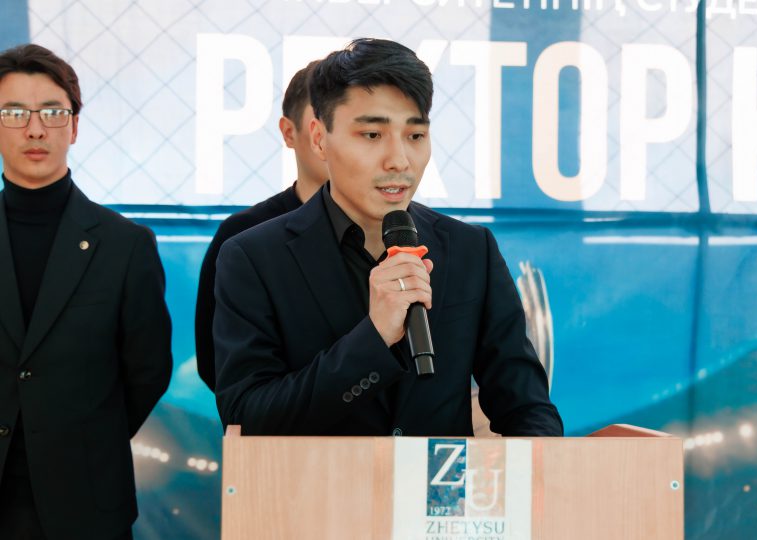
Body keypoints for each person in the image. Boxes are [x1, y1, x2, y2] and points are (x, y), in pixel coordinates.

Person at [214, 38, 562, 437]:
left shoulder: (471, 250)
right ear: (319, 138)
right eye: (372, 135)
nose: (399, 160)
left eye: (415, 136)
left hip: (440, 480)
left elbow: (526, 406)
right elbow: (247, 416)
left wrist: (540, 467)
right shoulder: (254, 257)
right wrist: (374, 337)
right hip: (316, 480)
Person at [0, 44, 172, 540]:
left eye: (52, 113)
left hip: (87, 501)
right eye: (15, 113)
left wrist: (87, 440)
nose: (35, 129)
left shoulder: (125, 245)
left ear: (74, 126)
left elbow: (148, 370)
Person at [195, 60, 327, 391]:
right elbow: (216, 362)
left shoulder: (402, 231)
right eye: (324, 120)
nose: (335, 137)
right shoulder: (241, 236)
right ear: (289, 132)